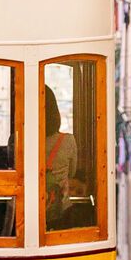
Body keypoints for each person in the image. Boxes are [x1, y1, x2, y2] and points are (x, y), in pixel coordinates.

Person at [42, 86, 83, 228]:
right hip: (61, 213)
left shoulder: (17, 141)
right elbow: (71, 172)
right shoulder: (67, 141)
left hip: (26, 213)